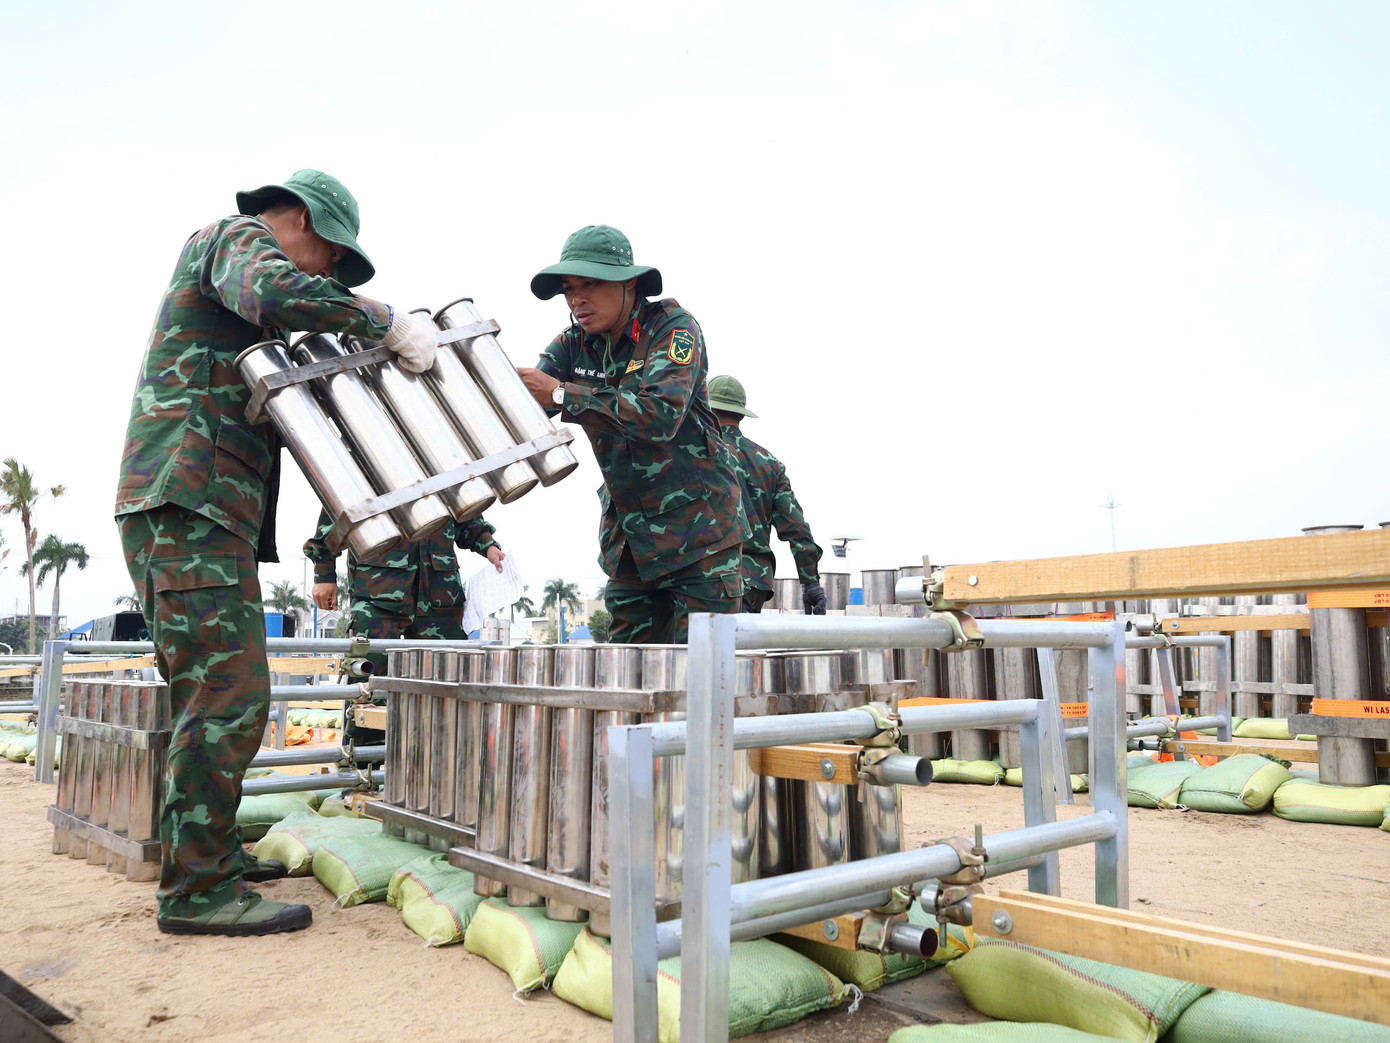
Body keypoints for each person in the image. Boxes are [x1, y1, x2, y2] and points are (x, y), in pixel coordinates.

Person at [114, 169, 440, 937]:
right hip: (186, 501)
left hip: (197, 507)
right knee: (228, 696)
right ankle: (196, 892)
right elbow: (276, 293)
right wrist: (382, 318)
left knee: (211, 693)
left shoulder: (242, 270)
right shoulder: (236, 239)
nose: (327, 273)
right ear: (296, 217)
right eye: (329, 254)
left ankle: (211, 857)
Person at [517, 225, 747, 644]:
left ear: (629, 284)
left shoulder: (674, 329)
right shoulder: (573, 344)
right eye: (569, 288)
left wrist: (564, 394)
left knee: (703, 671)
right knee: (629, 672)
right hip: (631, 543)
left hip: (699, 540)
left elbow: (660, 415)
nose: (576, 298)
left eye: (591, 283)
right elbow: (528, 399)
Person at [707, 375, 826, 614]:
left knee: (698, 650)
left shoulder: (695, 452)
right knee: (743, 651)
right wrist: (810, 581)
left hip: (702, 582)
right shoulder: (770, 464)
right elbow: (797, 528)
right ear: (741, 414)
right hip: (752, 582)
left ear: (705, 409)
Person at [305, 514, 505, 651]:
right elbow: (335, 513)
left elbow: (465, 513)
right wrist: (324, 575)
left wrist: (488, 545)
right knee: (370, 686)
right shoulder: (366, 454)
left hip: (440, 596)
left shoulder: (442, 455)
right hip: (378, 594)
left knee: (445, 682)